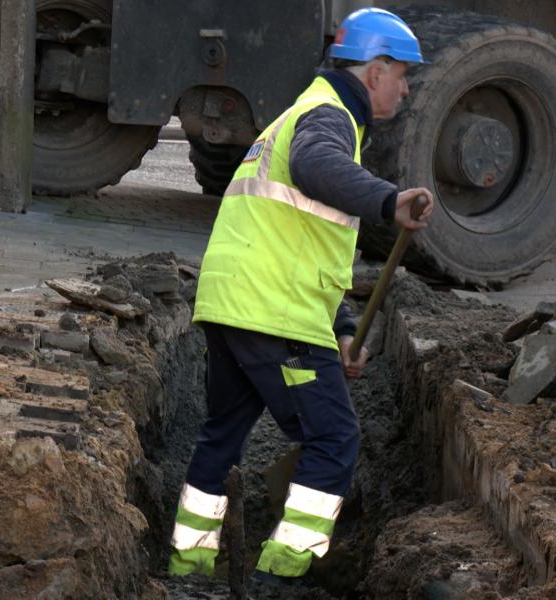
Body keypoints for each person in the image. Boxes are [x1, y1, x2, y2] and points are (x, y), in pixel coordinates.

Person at [168, 7, 435, 582]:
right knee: (334, 438)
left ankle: (189, 561)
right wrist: (390, 201)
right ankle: (281, 573)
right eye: (402, 74)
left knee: (222, 434)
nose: (406, 88)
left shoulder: (304, 113)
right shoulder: (326, 118)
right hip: (273, 313)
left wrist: (342, 328)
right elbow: (318, 168)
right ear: (374, 70)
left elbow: (301, 242)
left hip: (234, 302)